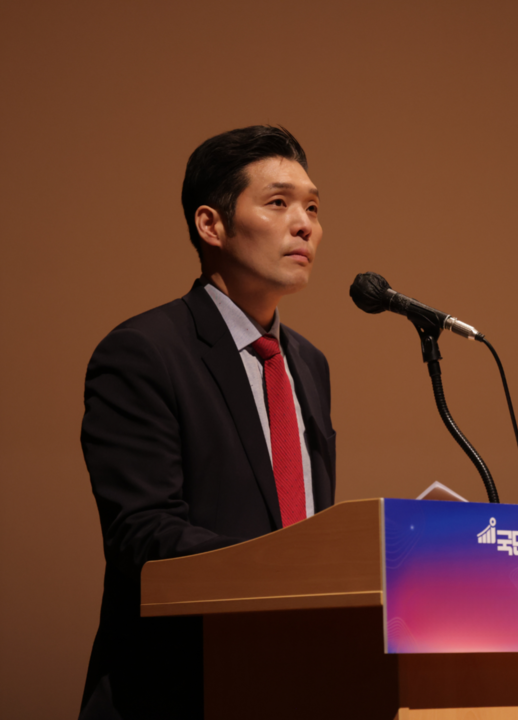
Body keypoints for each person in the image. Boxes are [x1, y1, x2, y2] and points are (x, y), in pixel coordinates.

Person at [78, 126, 336, 719]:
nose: (304, 225)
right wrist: (286, 572)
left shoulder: (309, 364)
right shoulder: (145, 352)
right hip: (178, 686)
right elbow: (143, 533)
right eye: (279, 203)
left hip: (293, 681)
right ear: (211, 225)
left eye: (313, 208)